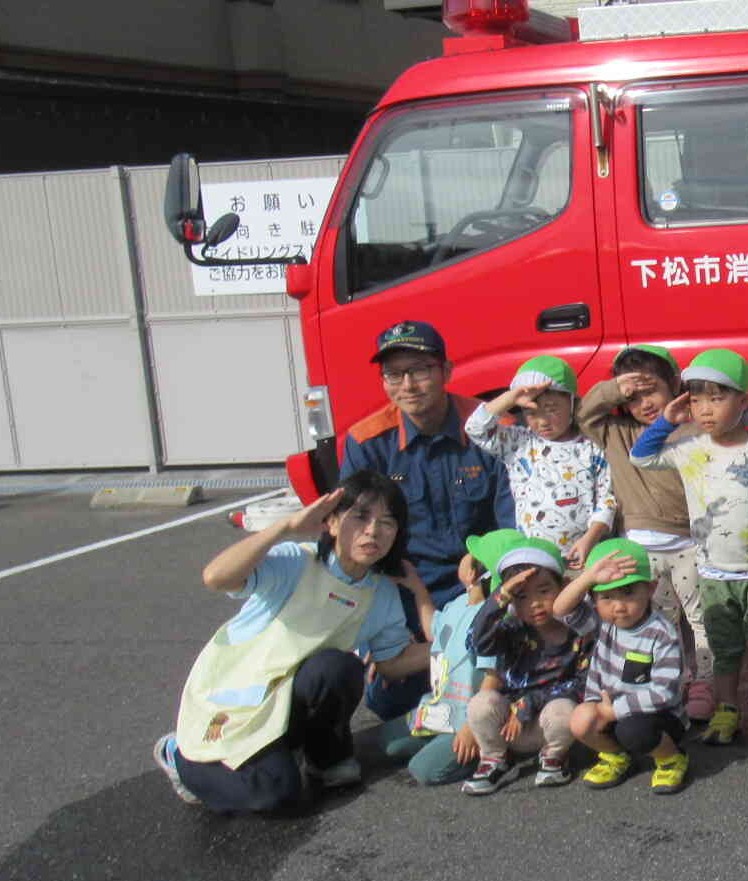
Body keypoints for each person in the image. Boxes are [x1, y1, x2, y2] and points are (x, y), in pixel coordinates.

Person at [154, 474, 428, 813]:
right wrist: (285, 527)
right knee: (276, 795)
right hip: (239, 693)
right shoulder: (296, 562)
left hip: (286, 700)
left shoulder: (381, 591)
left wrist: (459, 646)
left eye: (387, 522)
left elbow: (391, 661)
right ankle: (179, 757)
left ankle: (323, 759)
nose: (373, 531)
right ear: (331, 522)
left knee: (339, 668)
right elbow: (216, 577)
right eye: (360, 517)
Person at [339, 319, 513, 720]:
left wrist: (489, 581)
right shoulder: (368, 442)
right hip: (406, 590)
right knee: (390, 704)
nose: (408, 385)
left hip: (480, 585)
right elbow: (355, 537)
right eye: (394, 374)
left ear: (447, 371)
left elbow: (512, 526)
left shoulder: (491, 429)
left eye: (419, 370)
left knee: (486, 692)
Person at [630, 348, 748, 746]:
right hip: (712, 573)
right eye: (696, 398)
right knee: (723, 649)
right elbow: (640, 457)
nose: (705, 409)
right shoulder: (688, 448)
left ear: (743, 400)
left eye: (717, 397)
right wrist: (665, 421)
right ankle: (728, 710)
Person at [579, 343, 712, 721]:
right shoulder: (617, 432)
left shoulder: (691, 429)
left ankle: (703, 682)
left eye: (651, 389)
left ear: (674, 382)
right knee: (654, 623)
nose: (644, 403)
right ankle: (652, 690)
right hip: (640, 550)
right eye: (633, 397)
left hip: (690, 542)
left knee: (700, 619)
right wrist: (613, 390)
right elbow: (585, 414)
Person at [374, 528, 515, 787]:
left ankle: (490, 745)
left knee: (424, 770)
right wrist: (417, 587)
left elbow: (493, 675)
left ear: (472, 572)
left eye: (469, 554)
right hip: (441, 707)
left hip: (467, 720)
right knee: (387, 743)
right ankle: (440, 738)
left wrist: (472, 728)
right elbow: (433, 630)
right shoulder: (459, 603)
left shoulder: (495, 621)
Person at [553, 542, 689, 794]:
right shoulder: (601, 624)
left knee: (633, 730)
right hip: (609, 711)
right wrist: (588, 577)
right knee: (580, 720)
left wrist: (612, 712)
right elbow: (560, 610)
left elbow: (664, 693)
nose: (618, 606)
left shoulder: (661, 633)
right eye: (606, 597)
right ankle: (617, 756)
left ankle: (671, 757)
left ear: (650, 588)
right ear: (594, 599)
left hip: (656, 717)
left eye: (628, 593)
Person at [461, 537, 593, 795]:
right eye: (521, 596)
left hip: (550, 724)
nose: (534, 603)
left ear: (563, 586)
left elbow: (580, 684)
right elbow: (478, 642)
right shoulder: (512, 629)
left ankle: (554, 758)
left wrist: (528, 704)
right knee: (481, 703)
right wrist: (499, 597)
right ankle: (495, 759)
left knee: (565, 711)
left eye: (544, 591)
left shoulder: (579, 632)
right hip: (507, 726)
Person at [465, 355, 614, 569]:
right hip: (534, 557)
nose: (542, 421)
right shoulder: (518, 443)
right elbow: (475, 429)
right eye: (531, 412)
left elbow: (606, 500)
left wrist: (589, 539)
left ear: (572, 403)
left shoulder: (591, 447)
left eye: (552, 409)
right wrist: (511, 397)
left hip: (583, 556)